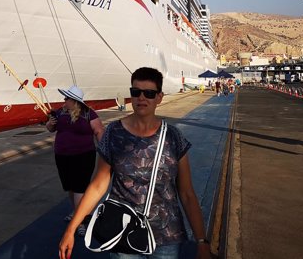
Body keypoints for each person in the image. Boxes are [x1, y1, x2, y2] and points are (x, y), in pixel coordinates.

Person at [59, 67, 211, 259]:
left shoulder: (174, 137)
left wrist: (201, 241)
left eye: (149, 93)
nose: (141, 98)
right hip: (123, 230)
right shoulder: (113, 133)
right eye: (135, 92)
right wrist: (71, 229)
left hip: (166, 235)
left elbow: (187, 193)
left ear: (159, 97)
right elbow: (98, 185)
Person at [46, 85, 104, 236]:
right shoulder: (60, 112)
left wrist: (105, 152)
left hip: (83, 156)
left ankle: (80, 221)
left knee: (79, 188)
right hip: (62, 156)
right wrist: (50, 124)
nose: (64, 100)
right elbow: (51, 129)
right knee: (70, 188)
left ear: (74, 101)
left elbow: (99, 131)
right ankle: (77, 212)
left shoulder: (88, 114)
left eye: (67, 98)